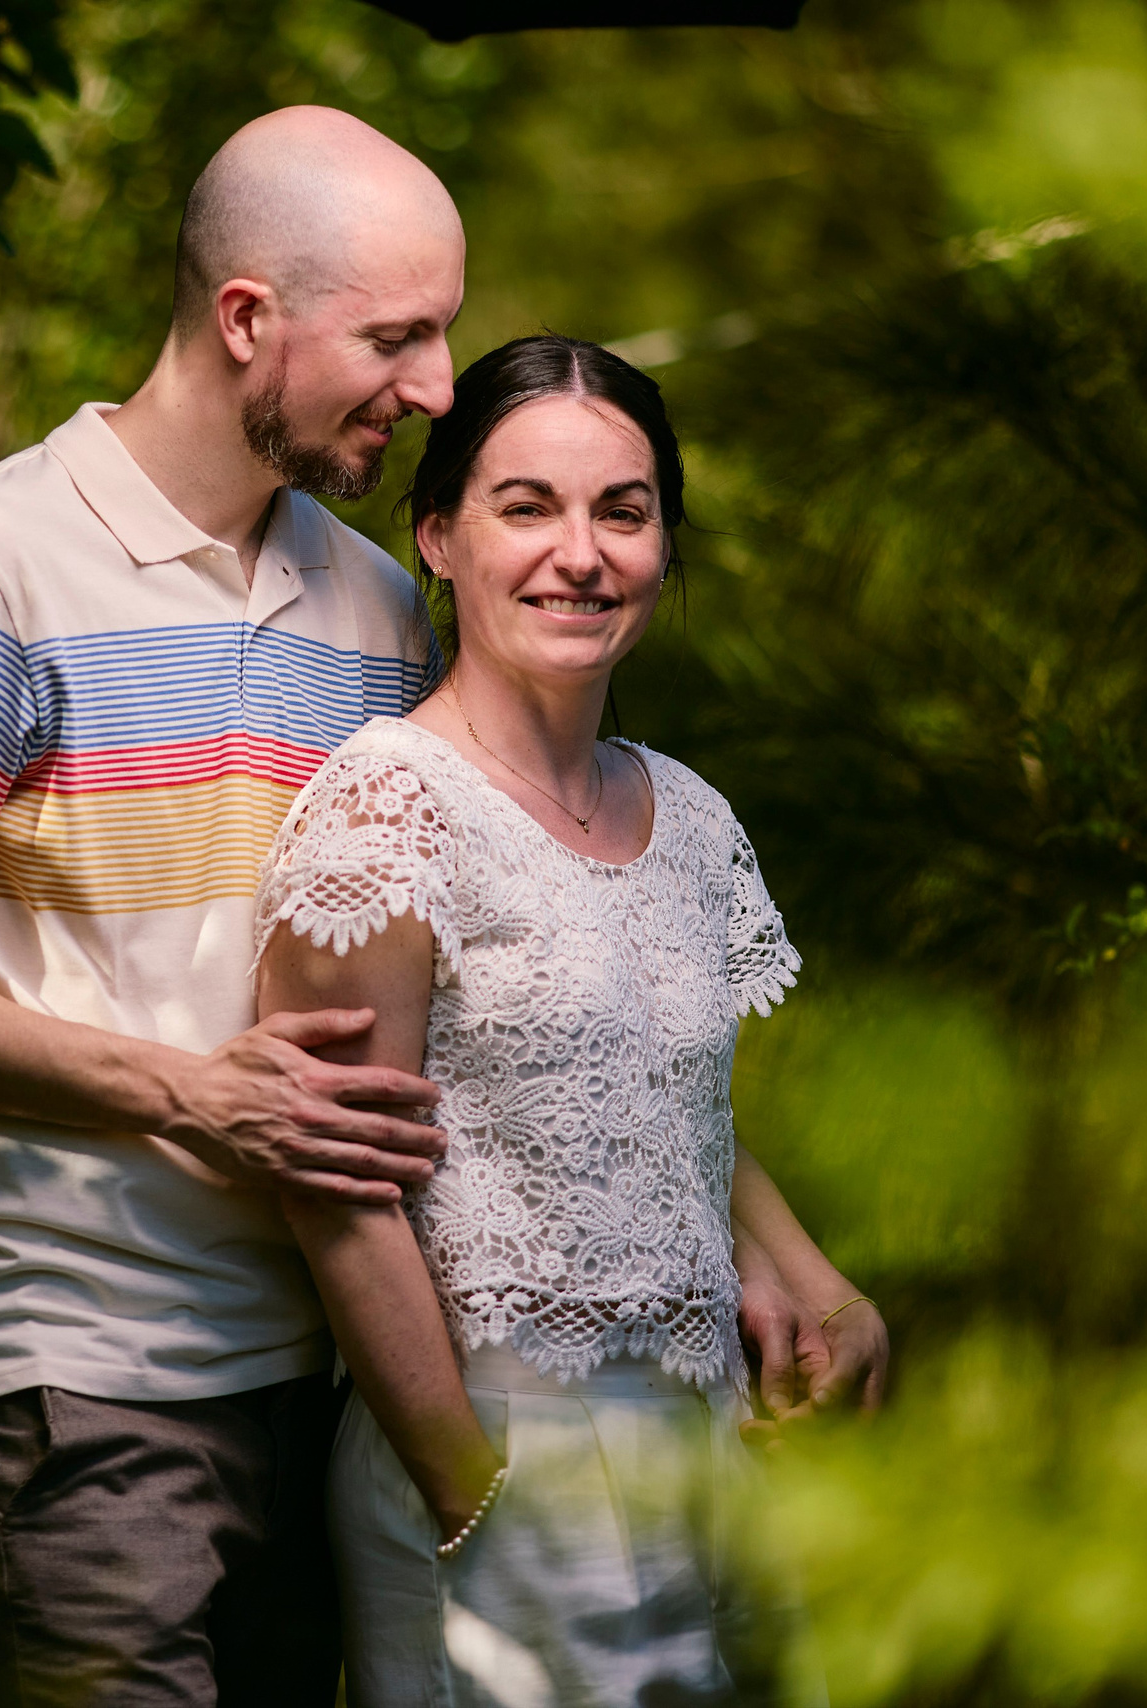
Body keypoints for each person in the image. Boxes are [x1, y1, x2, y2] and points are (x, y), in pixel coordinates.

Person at [0, 106, 468, 1707]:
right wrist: (189, 1096)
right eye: (398, 337)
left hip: (329, 1383)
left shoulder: (377, 601)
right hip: (76, 1383)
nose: (434, 388)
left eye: (446, 338)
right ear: (246, 320)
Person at [254, 334, 889, 1705]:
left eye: (624, 508)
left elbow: (657, 1115)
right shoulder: (388, 811)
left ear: (666, 542)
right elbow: (334, 1188)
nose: (581, 553)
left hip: (702, 1448)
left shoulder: (692, 817)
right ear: (437, 534)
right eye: (526, 505)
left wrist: (825, 1290)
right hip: (493, 1454)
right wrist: (463, 1482)